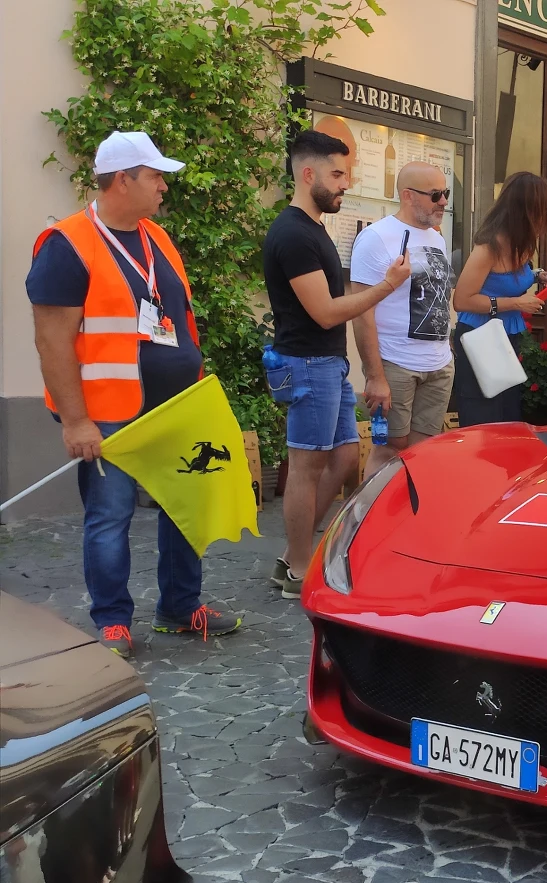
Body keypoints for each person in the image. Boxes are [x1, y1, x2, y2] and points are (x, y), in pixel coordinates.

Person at [26, 130, 241, 656]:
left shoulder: (157, 239)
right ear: (123, 180)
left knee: (184, 502)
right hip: (109, 413)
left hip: (177, 407)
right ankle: (113, 621)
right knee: (110, 515)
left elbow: (178, 320)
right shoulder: (67, 245)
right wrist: (76, 422)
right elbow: (52, 343)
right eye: (155, 176)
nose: (163, 186)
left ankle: (180, 605)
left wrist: (197, 386)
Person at [263, 130, 411, 599]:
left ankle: (298, 553)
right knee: (306, 467)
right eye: (337, 174)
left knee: (346, 456)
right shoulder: (293, 235)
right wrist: (388, 286)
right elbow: (326, 311)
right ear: (309, 174)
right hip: (308, 365)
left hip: (326, 364)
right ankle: (299, 569)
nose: (346, 183)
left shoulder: (313, 229)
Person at [350, 162, 457, 474]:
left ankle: (412, 520)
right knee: (389, 452)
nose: (444, 202)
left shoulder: (437, 238)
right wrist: (374, 376)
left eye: (445, 193)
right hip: (395, 362)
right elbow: (361, 312)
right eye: (436, 195)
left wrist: (446, 348)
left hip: (438, 364)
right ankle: (372, 520)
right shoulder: (376, 238)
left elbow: (438, 297)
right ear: (408, 196)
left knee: (424, 452)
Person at [449, 171, 547, 427]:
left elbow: (507, 280)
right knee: (483, 419)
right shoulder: (489, 247)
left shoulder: (523, 244)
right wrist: (516, 303)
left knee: (507, 417)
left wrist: (539, 276)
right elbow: (461, 300)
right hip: (480, 338)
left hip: (507, 337)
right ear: (528, 211)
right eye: (543, 210)